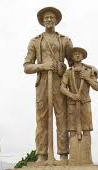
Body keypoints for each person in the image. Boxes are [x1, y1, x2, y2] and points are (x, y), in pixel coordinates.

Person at [23, 7, 73, 162]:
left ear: (56, 20)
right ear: (42, 21)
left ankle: (63, 154)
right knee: (42, 119)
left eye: (52, 17)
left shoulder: (65, 40)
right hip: (43, 83)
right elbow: (26, 67)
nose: (49, 20)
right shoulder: (36, 41)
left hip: (60, 82)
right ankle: (42, 155)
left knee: (62, 117)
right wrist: (42, 66)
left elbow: (74, 64)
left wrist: (64, 67)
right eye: (46, 18)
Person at [60, 47, 98, 140]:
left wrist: (87, 78)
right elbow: (62, 88)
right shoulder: (68, 72)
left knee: (87, 130)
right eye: (75, 54)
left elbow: (97, 87)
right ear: (72, 57)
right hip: (72, 105)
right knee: (72, 131)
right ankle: (75, 153)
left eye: (80, 54)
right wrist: (72, 95)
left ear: (83, 56)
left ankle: (86, 153)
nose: (77, 55)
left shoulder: (89, 71)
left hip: (85, 103)